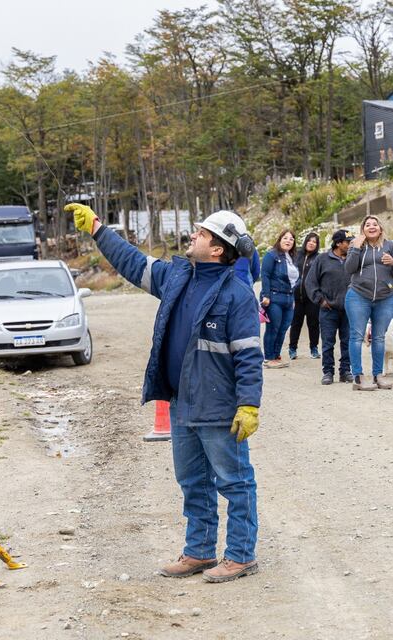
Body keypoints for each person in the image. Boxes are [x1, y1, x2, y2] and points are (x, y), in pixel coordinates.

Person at [65, 203, 263, 583]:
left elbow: (250, 355)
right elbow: (132, 262)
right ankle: (200, 552)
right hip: (180, 402)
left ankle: (241, 555)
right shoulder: (177, 277)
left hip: (219, 406)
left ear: (218, 248)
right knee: (192, 482)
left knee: (235, 482)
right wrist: (97, 229)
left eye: (202, 233)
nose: (194, 235)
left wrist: (249, 404)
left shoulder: (237, 295)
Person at [344, 215, 393, 391]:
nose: (371, 227)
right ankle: (358, 377)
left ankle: (378, 375)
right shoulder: (355, 245)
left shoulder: (390, 246)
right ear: (363, 230)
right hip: (358, 296)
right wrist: (356, 247)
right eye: (367, 225)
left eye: (375, 224)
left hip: (385, 298)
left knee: (379, 337)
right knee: (356, 337)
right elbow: (348, 269)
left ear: (380, 228)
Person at [304, 230, 353, 385]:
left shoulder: (353, 259)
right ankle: (328, 372)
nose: (351, 245)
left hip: (349, 310)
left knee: (348, 342)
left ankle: (345, 371)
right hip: (328, 310)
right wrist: (320, 300)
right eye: (348, 242)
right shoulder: (322, 259)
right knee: (327, 342)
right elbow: (310, 282)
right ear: (338, 243)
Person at [260, 230, 298, 368]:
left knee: (283, 328)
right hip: (274, 297)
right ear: (280, 239)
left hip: (288, 298)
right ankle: (268, 358)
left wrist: (293, 298)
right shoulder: (271, 255)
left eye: (291, 239)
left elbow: (294, 281)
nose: (288, 241)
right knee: (273, 328)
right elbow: (265, 275)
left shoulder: (292, 258)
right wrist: (266, 295)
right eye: (285, 238)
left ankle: (276, 355)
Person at [288, 233, 321, 360]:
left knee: (313, 324)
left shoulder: (318, 258)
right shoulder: (296, 255)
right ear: (305, 241)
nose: (311, 243)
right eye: (310, 241)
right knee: (296, 323)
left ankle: (314, 348)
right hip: (296, 297)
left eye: (315, 242)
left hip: (312, 298)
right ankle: (292, 349)